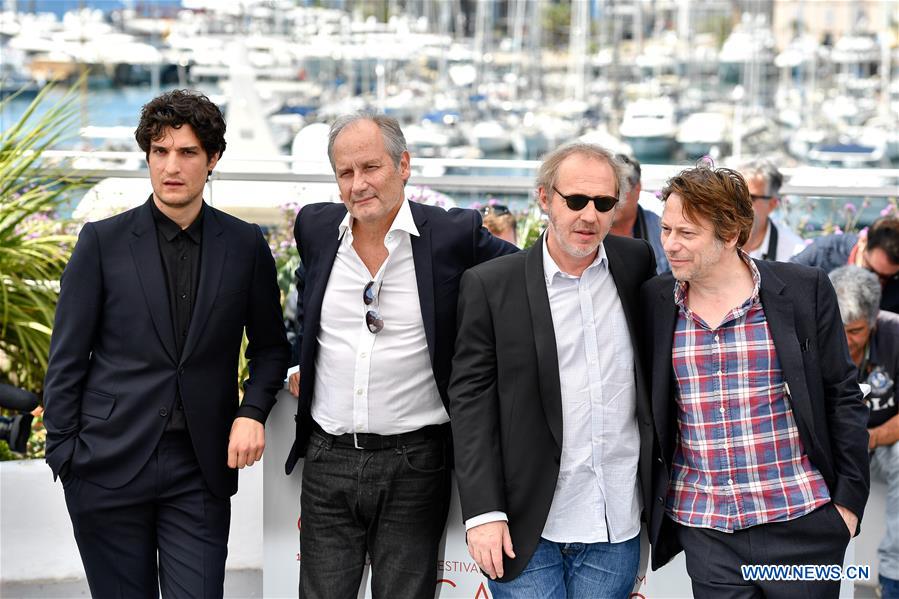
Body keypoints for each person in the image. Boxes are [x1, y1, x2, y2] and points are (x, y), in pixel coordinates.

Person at [43, 90, 290, 598]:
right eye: (160, 151)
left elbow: (271, 348)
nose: (171, 166)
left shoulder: (244, 245)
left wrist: (252, 412)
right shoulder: (101, 243)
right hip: (106, 464)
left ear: (212, 158)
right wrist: (65, 456)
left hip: (199, 468)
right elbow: (66, 358)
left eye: (187, 152)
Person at [285, 112, 517, 598]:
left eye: (371, 167)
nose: (358, 184)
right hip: (326, 457)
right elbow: (308, 295)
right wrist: (298, 360)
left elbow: (521, 276)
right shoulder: (316, 226)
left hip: (416, 463)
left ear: (403, 165)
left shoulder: (452, 234)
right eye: (345, 173)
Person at [640, 163, 869, 598]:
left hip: (803, 521)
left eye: (686, 233)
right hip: (708, 531)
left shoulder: (803, 289)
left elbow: (842, 395)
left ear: (730, 235)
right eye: (666, 229)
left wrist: (847, 506)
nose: (669, 243)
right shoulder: (654, 299)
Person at [449, 143, 657, 598]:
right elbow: (470, 406)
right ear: (544, 197)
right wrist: (483, 512)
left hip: (615, 522)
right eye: (575, 200)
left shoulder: (635, 262)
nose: (589, 216)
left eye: (603, 203)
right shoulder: (491, 285)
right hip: (525, 526)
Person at [829, 265, 899, 598]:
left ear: (873, 321)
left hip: (880, 441)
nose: (845, 340)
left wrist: (869, 438)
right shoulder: (811, 332)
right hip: (829, 445)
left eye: (855, 331)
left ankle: (893, 577)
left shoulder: (895, 334)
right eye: (839, 329)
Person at [792, 216, 899, 314]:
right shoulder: (822, 254)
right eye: (870, 270)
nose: (876, 281)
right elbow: (785, 286)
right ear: (863, 241)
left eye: (886, 277)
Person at [610, 153, 669, 274]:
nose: (612, 197)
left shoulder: (661, 229)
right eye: (607, 189)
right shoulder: (590, 229)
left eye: (620, 189)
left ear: (637, 188)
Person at [737, 158, 805, 262]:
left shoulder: (794, 251)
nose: (739, 203)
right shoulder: (715, 241)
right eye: (735, 195)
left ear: (772, 204)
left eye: (750, 198)